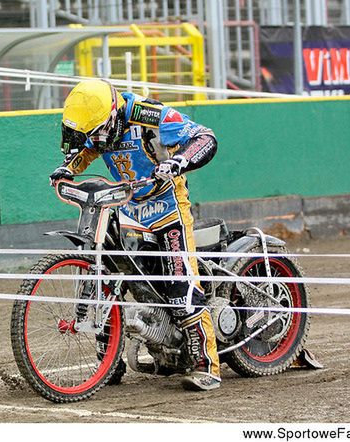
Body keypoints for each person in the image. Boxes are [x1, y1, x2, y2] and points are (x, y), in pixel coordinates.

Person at [50, 79, 221, 391]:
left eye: (98, 133)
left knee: (181, 285)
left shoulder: (152, 116)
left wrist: (179, 160)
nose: (96, 141)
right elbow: (88, 149)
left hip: (168, 206)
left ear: (114, 116)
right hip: (129, 207)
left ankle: (206, 363)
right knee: (117, 277)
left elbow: (205, 137)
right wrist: (67, 170)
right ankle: (108, 362)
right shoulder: (97, 128)